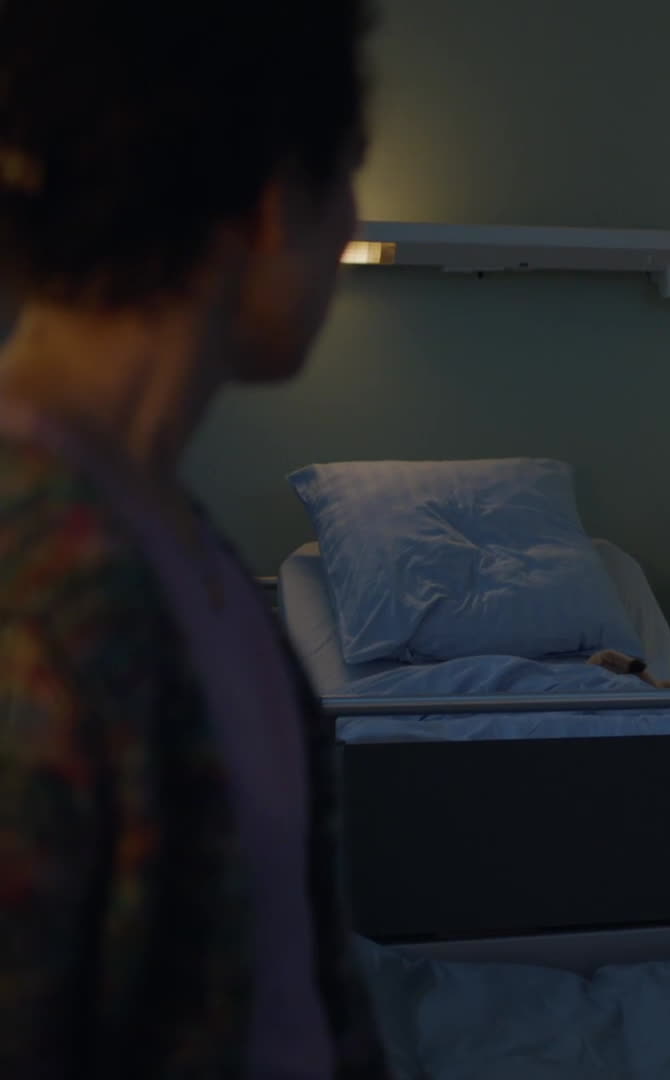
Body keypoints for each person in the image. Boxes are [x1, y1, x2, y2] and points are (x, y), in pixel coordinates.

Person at [0, 2, 390, 1076]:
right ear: (270, 207)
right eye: (346, 180)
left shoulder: (166, 529)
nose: (351, 224)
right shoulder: (37, 591)